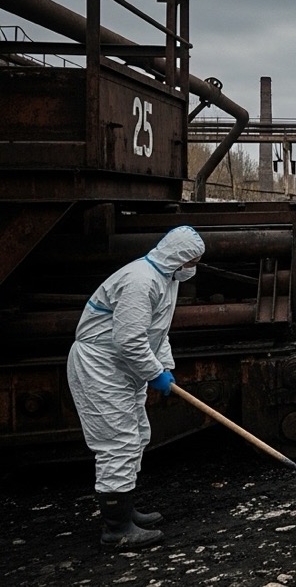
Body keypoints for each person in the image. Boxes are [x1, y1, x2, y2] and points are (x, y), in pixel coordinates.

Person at [67, 225, 205, 549]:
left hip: (123, 367)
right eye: (192, 261)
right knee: (117, 441)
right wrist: (154, 372)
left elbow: (158, 330)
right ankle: (116, 529)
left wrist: (165, 366)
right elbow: (129, 340)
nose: (193, 268)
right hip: (101, 365)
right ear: (179, 257)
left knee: (137, 436)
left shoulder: (166, 279)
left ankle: (125, 510)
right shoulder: (141, 280)